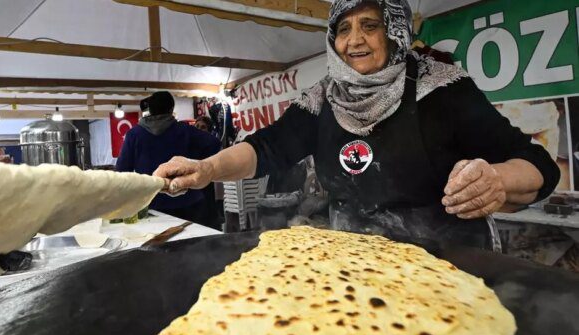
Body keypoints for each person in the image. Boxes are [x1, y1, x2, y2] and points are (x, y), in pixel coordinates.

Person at [154, 0, 559, 250]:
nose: (354, 40)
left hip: (447, 268)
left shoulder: (442, 90)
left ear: (395, 30)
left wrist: (497, 180)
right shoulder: (321, 98)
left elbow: (538, 163)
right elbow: (266, 147)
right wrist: (207, 169)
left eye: (370, 24)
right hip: (355, 274)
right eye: (343, 29)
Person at [116, 91, 221, 226]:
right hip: (188, 201)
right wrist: (195, 159)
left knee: (157, 244)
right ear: (171, 110)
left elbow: (122, 171)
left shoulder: (134, 135)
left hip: (152, 203)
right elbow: (214, 144)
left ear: (150, 110)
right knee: (192, 243)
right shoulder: (185, 131)